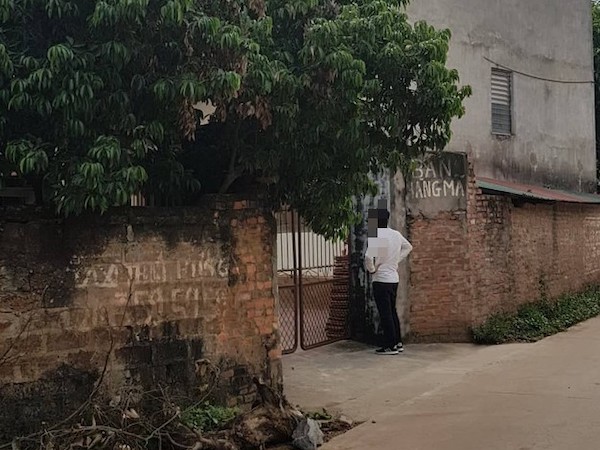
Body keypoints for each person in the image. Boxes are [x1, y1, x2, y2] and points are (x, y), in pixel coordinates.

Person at [365, 205, 413, 355]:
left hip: (381, 279)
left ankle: (390, 346)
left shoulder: (377, 235)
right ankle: (397, 342)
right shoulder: (395, 235)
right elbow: (408, 247)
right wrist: (396, 260)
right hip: (393, 279)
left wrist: (372, 269)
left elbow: (368, 257)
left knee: (385, 314)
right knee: (392, 311)